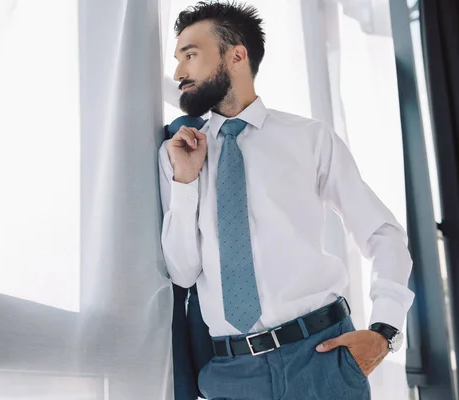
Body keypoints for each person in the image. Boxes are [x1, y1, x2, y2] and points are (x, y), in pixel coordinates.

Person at [158, 1, 415, 399]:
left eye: (190, 55)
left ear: (237, 55)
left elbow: (384, 234)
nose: (178, 73)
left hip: (324, 360)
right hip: (231, 374)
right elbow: (183, 272)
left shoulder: (309, 139)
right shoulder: (180, 151)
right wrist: (185, 182)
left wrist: (384, 331)